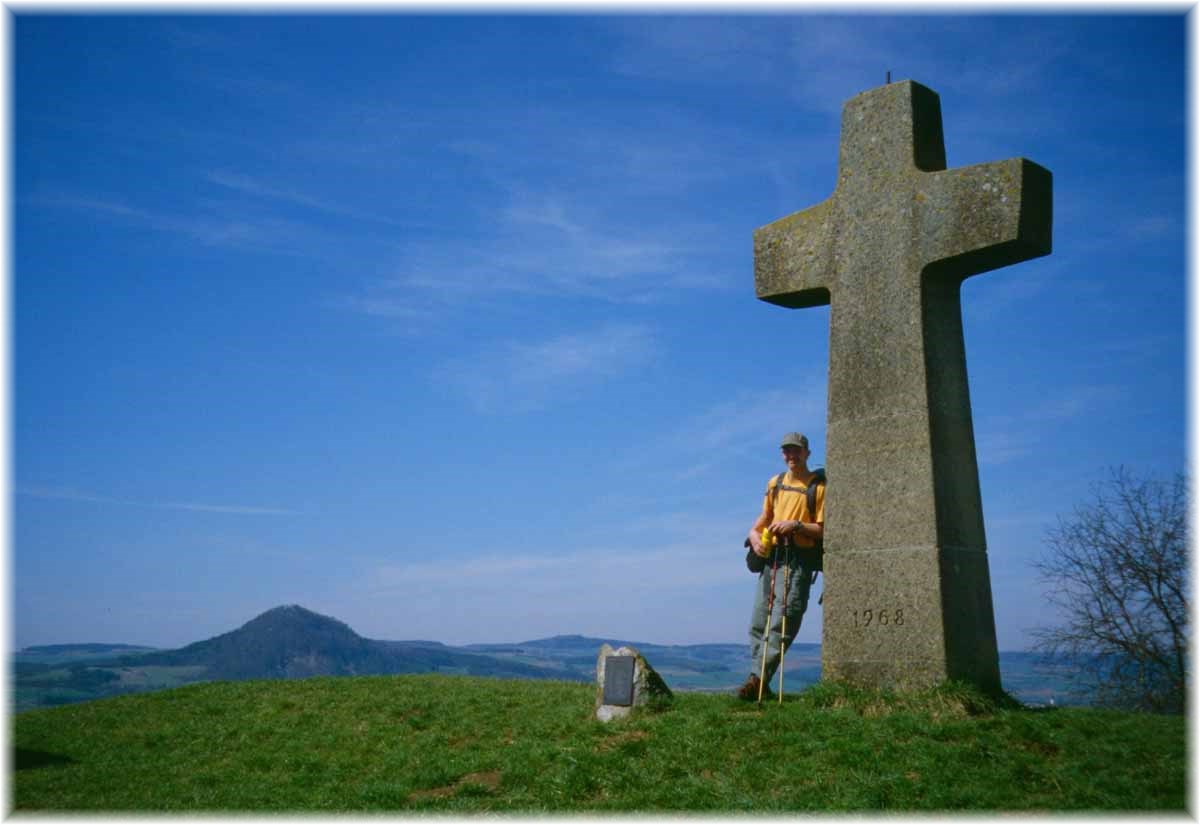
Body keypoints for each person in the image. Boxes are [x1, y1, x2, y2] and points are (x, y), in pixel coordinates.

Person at [737, 431, 826, 700]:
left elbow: (824, 529)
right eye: (787, 451)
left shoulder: (818, 487)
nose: (791, 455)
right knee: (758, 623)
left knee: (783, 622)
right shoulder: (775, 484)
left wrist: (796, 525)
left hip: (798, 561)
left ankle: (757, 679)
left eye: (796, 450)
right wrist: (754, 537)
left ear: (807, 453)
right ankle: (759, 680)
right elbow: (762, 520)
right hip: (772, 559)